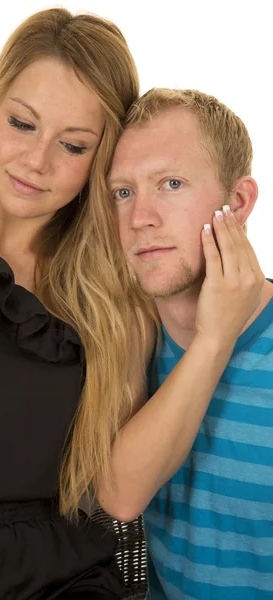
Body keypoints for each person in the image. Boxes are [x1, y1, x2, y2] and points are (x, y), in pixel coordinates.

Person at [0, 6, 264, 598]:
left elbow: (119, 491)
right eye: (22, 124)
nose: (37, 161)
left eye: (74, 145)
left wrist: (215, 336)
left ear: (99, 163)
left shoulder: (115, 302)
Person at [108, 87, 273, 598]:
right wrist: (213, 340)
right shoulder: (124, 344)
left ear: (239, 202)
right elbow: (117, 495)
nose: (140, 218)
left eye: (171, 183)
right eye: (122, 192)